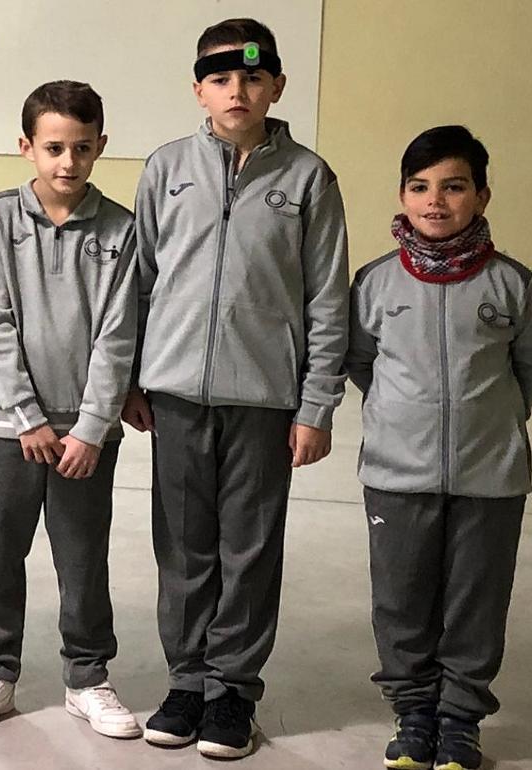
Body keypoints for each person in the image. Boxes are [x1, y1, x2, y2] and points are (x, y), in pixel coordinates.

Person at [124, 17, 350, 759]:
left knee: (248, 549)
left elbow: (327, 299)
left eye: (253, 78)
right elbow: (138, 282)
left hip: (264, 399)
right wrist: (130, 377)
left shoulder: (309, 179)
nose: (237, 91)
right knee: (184, 548)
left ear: (277, 86)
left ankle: (233, 692)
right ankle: (187, 682)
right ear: (199, 89)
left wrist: (316, 405)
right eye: (220, 78)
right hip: (176, 395)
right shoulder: (166, 168)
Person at [347, 125, 532, 770]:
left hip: (489, 476)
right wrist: (402, 417)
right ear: (403, 196)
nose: (435, 201)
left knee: (476, 602)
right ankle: (414, 714)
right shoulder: (375, 282)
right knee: (401, 599)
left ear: (482, 196)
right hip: (397, 474)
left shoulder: (513, 285)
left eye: (454, 187)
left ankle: (460, 719)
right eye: (420, 187)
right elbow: (361, 362)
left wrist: (491, 420)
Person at [0, 80, 139, 740]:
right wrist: (25, 415)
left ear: (100, 146)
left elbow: (118, 333)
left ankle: (88, 677)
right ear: (26, 146)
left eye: (82, 148)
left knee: (83, 557)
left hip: (86, 434)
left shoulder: (121, 230)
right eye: (54, 148)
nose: (68, 162)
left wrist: (92, 426)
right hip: (10, 427)